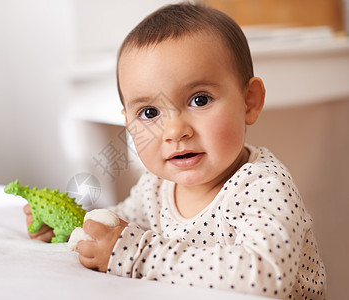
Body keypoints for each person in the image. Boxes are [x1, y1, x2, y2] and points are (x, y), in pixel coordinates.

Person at [23, 3, 326, 299]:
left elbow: (266, 277)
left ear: (249, 101)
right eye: (150, 112)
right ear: (128, 123)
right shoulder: (155, 188)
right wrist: (75, 225)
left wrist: (139, 255)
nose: (174, 131)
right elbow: (120, 224)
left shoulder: (262, 186)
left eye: (200, 100)